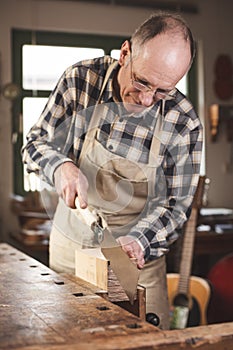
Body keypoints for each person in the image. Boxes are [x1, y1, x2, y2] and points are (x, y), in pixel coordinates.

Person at [22, 11, 203, 329]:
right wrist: (61, 166)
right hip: (71, 252)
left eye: (163, 91)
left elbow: (176, 207)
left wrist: (140, 240)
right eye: (142, 81)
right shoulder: (81, 81)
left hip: (136, 263)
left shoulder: (183, 122)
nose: (148, 100)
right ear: (125, 54)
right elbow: (35, 144)